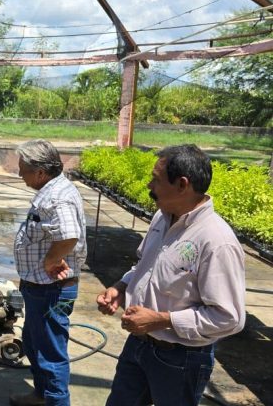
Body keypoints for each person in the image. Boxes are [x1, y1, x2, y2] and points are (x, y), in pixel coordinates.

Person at [97, 144, 245, 406]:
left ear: (182, 184)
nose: (149, 185)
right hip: (139, 344)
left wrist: (162, 320)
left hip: (181, 358)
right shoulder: (162, 217)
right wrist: (120, 287)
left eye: (156, 179)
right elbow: (145, 266)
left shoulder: (215, 241)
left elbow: (229, 318)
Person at [10, 139, 87, 406]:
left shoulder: (56, 197)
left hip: (51, 289)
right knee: (33, 342)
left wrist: (50, 261)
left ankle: (55, 400)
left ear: (40, 172)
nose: (20, 174)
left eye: (23, 169)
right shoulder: (53, 190)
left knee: (51, 354)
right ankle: (41, 396)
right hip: (39, 288)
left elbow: (69, 236)